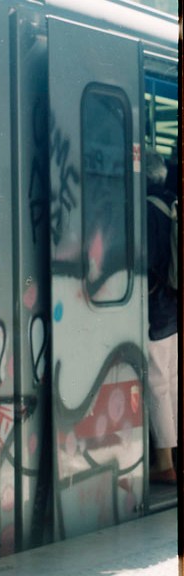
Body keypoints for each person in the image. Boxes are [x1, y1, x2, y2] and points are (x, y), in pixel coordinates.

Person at [143, 148, 178, 484]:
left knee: (157, 384)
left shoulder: (148, 210)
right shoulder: (173, 203)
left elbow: (150, 263)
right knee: (173, 379)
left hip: (156, 308)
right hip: (174, 305)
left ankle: (165, 462)